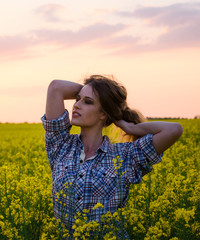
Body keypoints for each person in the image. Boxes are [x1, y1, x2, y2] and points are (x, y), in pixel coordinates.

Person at [41, 75, 183, 238]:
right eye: (77, 99)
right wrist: (91, 89)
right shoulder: (60, 146)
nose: (77, 105)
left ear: (103, 114)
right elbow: (55, 88)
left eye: (87, 102)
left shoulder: (126, 157)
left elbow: (174, 130)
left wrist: (132, 129)